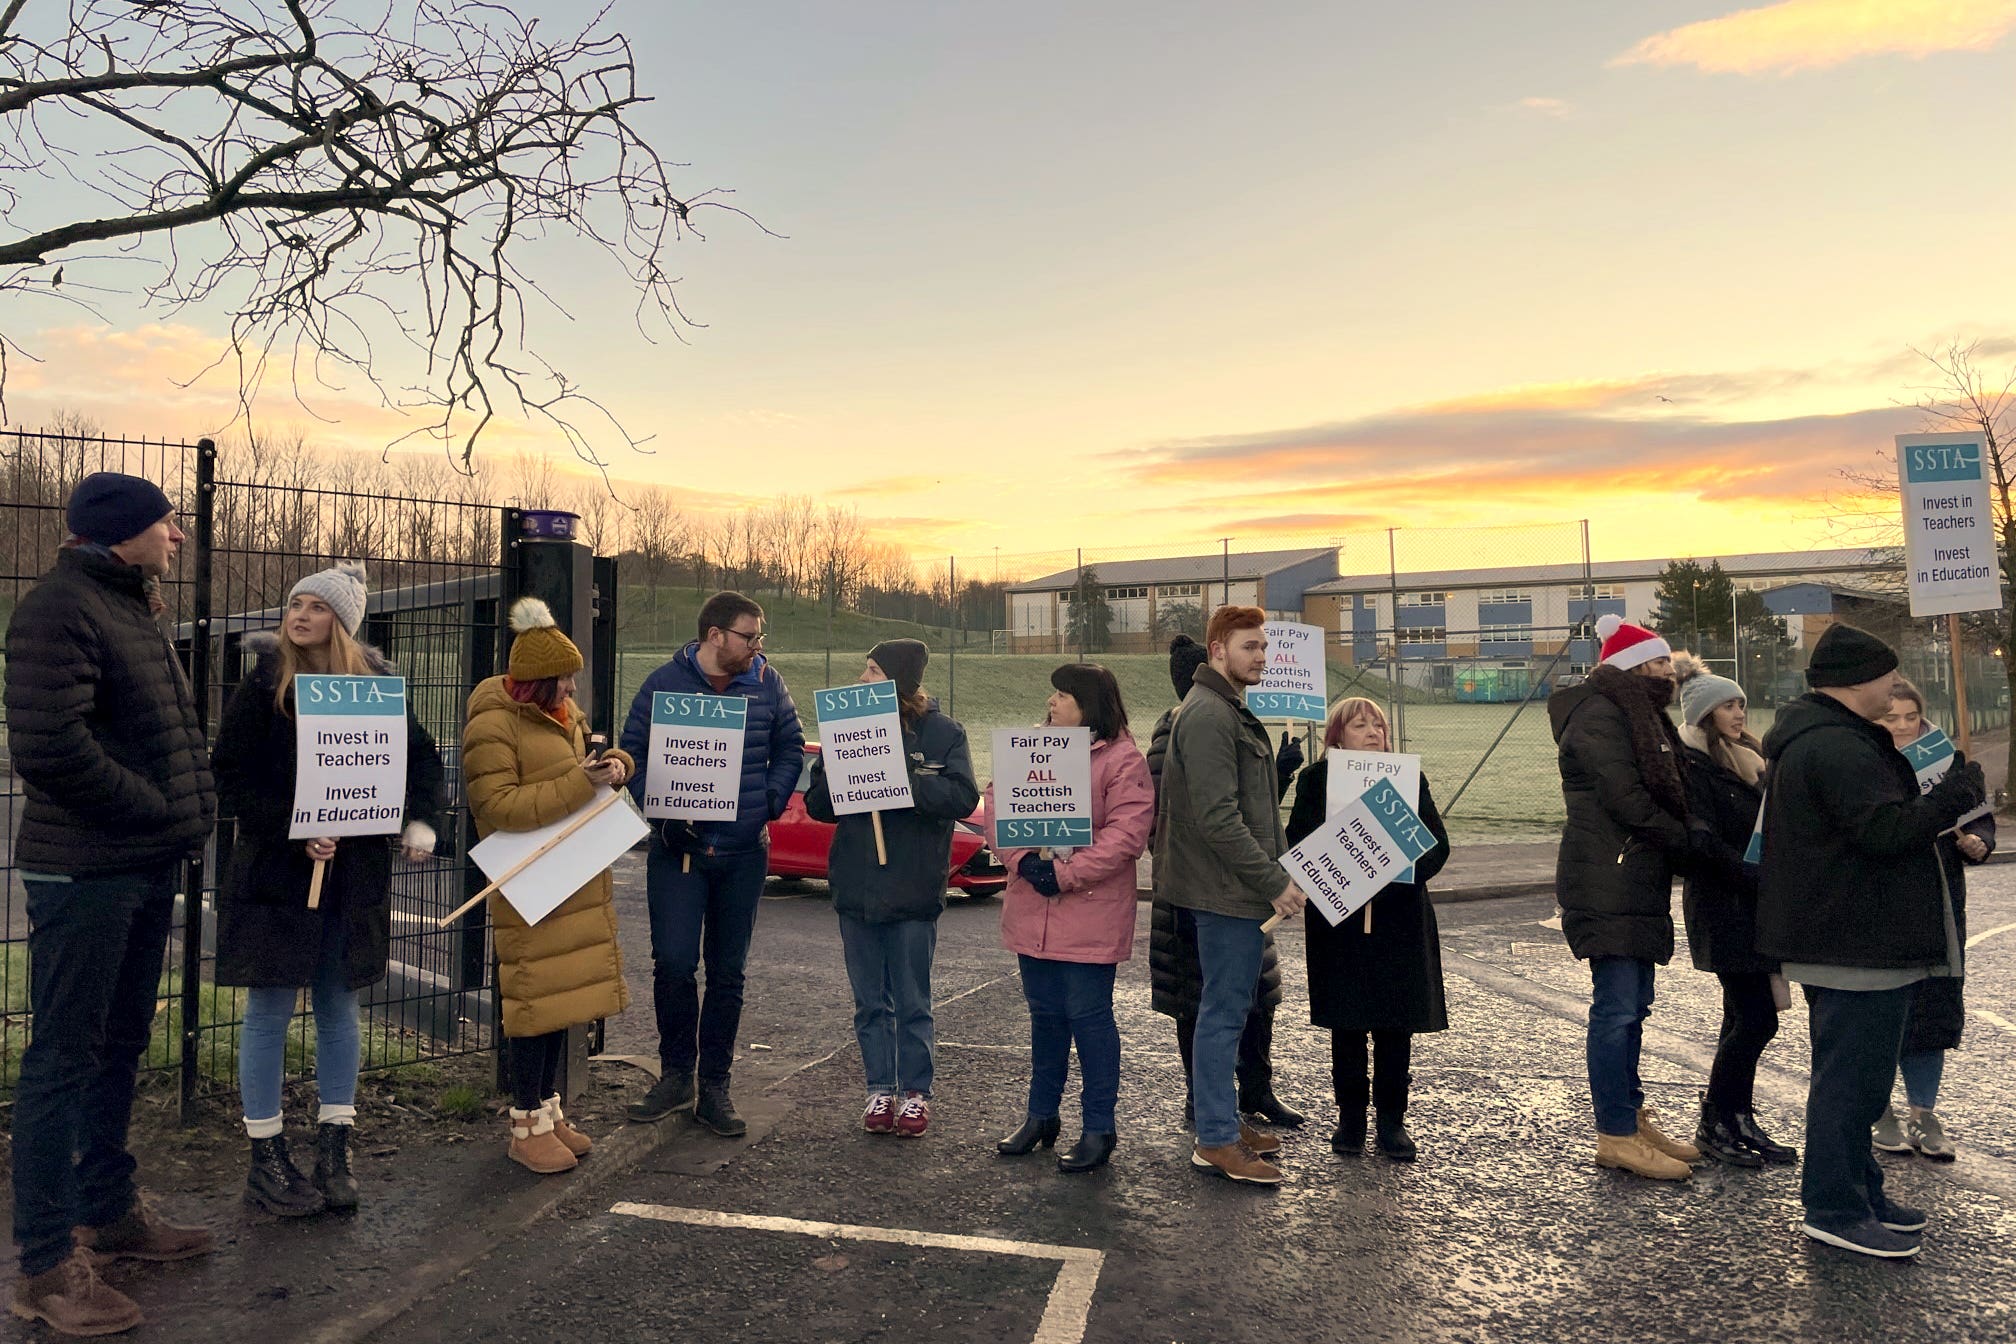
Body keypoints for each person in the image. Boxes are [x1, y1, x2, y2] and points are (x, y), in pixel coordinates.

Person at [6, 472, 218, 1337]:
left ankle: (110, 1208)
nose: (177, 535)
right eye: (166, 522)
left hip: (137, 865)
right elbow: (50, 746)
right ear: (122, 531)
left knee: (121, 1042)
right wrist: (157, 806)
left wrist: (169, 815)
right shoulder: (58, 610)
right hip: (86, 872)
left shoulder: (130, 607)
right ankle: (47, 1263)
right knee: (62, 1057)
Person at [210, 562, 446, 1216]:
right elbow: (230, 774)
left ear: (342, 622)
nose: (301, 615)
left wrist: (419, 820)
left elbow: (421, 761)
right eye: (296, 604)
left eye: (317, 606)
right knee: (269, 1011)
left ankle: (335, 1146)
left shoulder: (376, 690)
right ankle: (266, 1155)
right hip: (277, 881)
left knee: (340, 1005)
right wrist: (294, 829)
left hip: (352, 879)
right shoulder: (263, 688)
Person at [1758, 624, 1985, 1258]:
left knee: (1857, 1079)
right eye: (1886, 673)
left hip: (1851, 938)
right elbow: (1885, 834)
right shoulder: (1837, 746)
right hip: (1853, 940)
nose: (1894, 683)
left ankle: (1861, 1190)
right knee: (1850, 1085)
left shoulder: (1832, 738)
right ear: (1858, 680)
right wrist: (1957, 797)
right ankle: (1833, 1207)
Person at [621, 591, 804, 1136]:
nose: (757, 647)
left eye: (759, 638)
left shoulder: (768, 683)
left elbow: (791, 748)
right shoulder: (663, 684)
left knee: (728, 973)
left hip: (745, 853)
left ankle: (715, 1086)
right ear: (715, 634)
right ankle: (676, 1075)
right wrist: (661, 811)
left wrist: (768, 802)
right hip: (679, 853)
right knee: (674, 965)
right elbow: (634, 752)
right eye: (750, 636)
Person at [464, 597, 635, 1174]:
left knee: (564, 1000)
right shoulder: (490, 725)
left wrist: (615, 765)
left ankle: (547, 1108)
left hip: (572, 876)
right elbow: (497, 805)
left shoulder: (565, 715)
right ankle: (524, 1122)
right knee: (534, 1003)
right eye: (562, 680)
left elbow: (582, 764)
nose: (570, 689)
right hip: (529, 881)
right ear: (533, 684)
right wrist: (580, 785)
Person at [1154, 606, 1306, 1185]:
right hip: (1224, 893)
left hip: (1232, 889)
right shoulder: (1211, 716)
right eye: (1250, 646)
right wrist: (1275, 883)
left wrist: (1282, 870)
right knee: (1221, 1016)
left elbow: (1253, 810)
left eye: (1264, 646)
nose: (1262, 656)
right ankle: (1216, 1139)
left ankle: (1222, 1121)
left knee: (1229, 1012)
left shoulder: (1226, 708)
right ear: (1218, 650)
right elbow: (1219, 820)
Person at [1547, 613, 1701, 1181]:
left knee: (1634, 1006)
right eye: (1659, 664)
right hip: (1606, 875)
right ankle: (1615, 1132)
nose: (1669, 673)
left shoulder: (1634, 714)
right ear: (1633, 668)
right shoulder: (1599, 716)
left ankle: (1631, 1117)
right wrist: (1691, 842)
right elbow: (1627, 798)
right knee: (1615, 1010)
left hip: (1631, 874)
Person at [805, 639, 978, 1139]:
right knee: (869, 1002)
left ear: (898, 680)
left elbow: (963, 797)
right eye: (863, 669)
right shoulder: (845, 731)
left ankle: (915, 1093)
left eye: (873, 670)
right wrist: (846, 775)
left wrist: (902, 779)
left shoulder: (944, 734)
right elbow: (818, 805)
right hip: (857, 886)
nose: (862, 680)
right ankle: (879, 1088)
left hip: (913, 888)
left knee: (912, 1000)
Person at [990, 664, 1154, 1172]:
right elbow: (995, 805)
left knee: (1089, 1020)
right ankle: (1041, 1116)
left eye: (1063, 695)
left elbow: (1127, 835)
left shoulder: (1123, 760)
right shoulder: (1031, 747)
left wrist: (1065, 873)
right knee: (1044, 1018)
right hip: (1031, 911)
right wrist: (1022, 861)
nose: (1052, 702)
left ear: (1088, 704)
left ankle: (1099, 1126)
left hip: (1088, 915)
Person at [1285, 697, 1450, 1162]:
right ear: (1337, 737)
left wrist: (1388, 871)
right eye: (1360, 725)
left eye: (1377, 724)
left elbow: (1436, 847)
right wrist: (1346, 870)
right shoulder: (1316, 780)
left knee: (1396, 1025)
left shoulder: (1409, 779)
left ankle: (1392, 1121)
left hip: (1399, 919)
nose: (1374, 732)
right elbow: (1298, 841)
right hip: (1341, 922)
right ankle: (1350, 1119)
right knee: (1349, 1023)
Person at [1670, 654, 1795, 1169]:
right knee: (1756, 1017)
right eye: (1728, 705)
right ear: (1704, 713)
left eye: (1741, 703)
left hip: (1755, 902)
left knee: (1740, 1017)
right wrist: (1753, 875)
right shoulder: (1694, 764)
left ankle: (1735, 1117)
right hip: (1724, 904)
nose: (1740, 713)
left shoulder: (1751, 757)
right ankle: (1718, 1120)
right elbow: (1706, 840)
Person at [1869, 677, 1996, 1163]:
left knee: (1934, 1006)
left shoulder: (1947, 761)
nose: (1903, 727)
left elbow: (1978, 816)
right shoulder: (1867, 763)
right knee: (1882, 1012)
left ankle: (1924, 1113)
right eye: (1891, 718)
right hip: (1883, 901)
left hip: (1942, 899)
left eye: (1911, 717)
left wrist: (1979, 841)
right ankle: (1878, 1111)